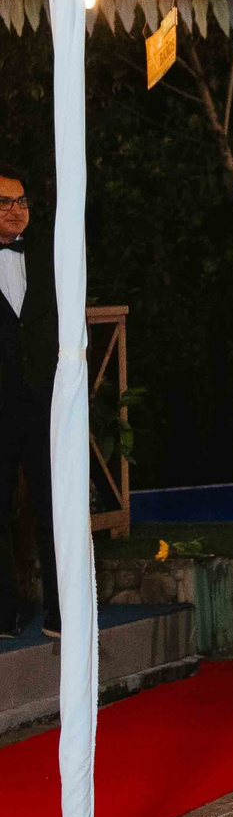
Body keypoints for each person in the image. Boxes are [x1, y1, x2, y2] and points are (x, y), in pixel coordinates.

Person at [0, 163, 57, 638]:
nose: (17, 211)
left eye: (22, 202)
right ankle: (4, 614)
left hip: (44, 401)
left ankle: (62, 611)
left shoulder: (49, 254)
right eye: (5, 202)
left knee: (53, 505)